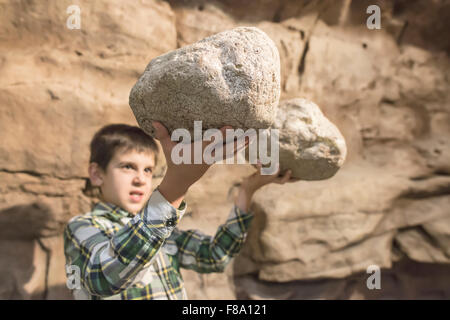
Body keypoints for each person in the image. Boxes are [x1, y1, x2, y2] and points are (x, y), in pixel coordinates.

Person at [63, 121, 295, 300]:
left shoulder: (164, 233)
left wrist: (248, 190)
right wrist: (175, 186)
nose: (140, 179)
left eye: (148, 171)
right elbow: (104, 277)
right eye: (128, 167)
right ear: (96, 174)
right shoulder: (83, 226)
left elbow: (215, 256)